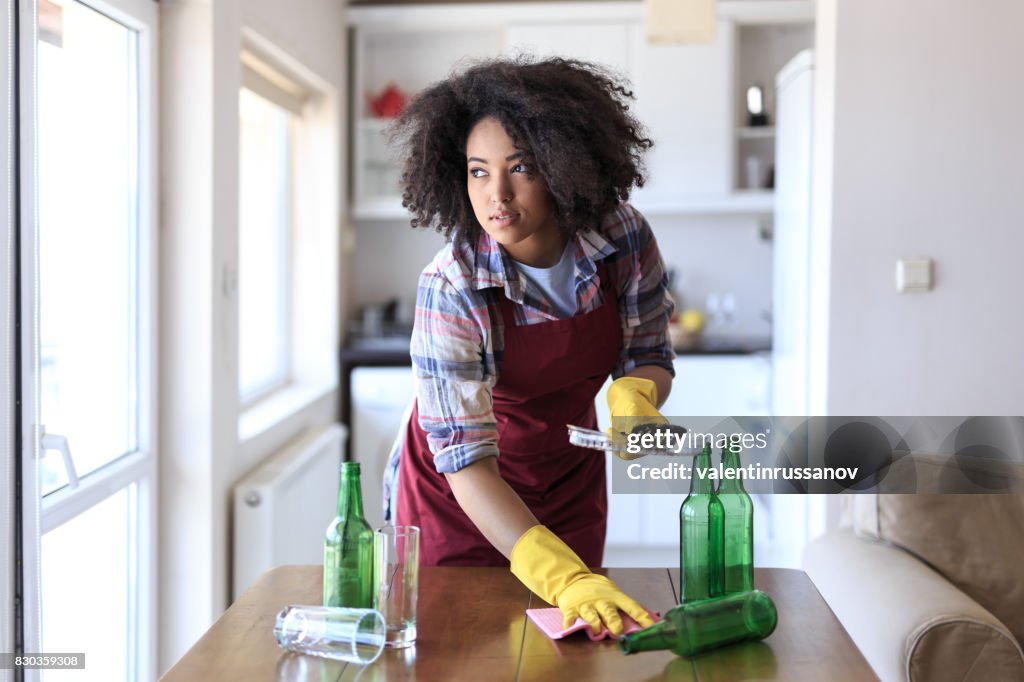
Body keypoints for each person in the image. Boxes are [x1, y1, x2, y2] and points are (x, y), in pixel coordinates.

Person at [382, 56, 675, 637]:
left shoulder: (621, 237)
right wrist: (559, 576)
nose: (498, 195)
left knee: (574, 651)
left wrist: (636, 398)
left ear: (566, 166)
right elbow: (465, 461)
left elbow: (648, 352)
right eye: (478, 171)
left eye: (521, 167)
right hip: (461, 497)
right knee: (459, 651)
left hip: (568, 477)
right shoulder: (454, 285)